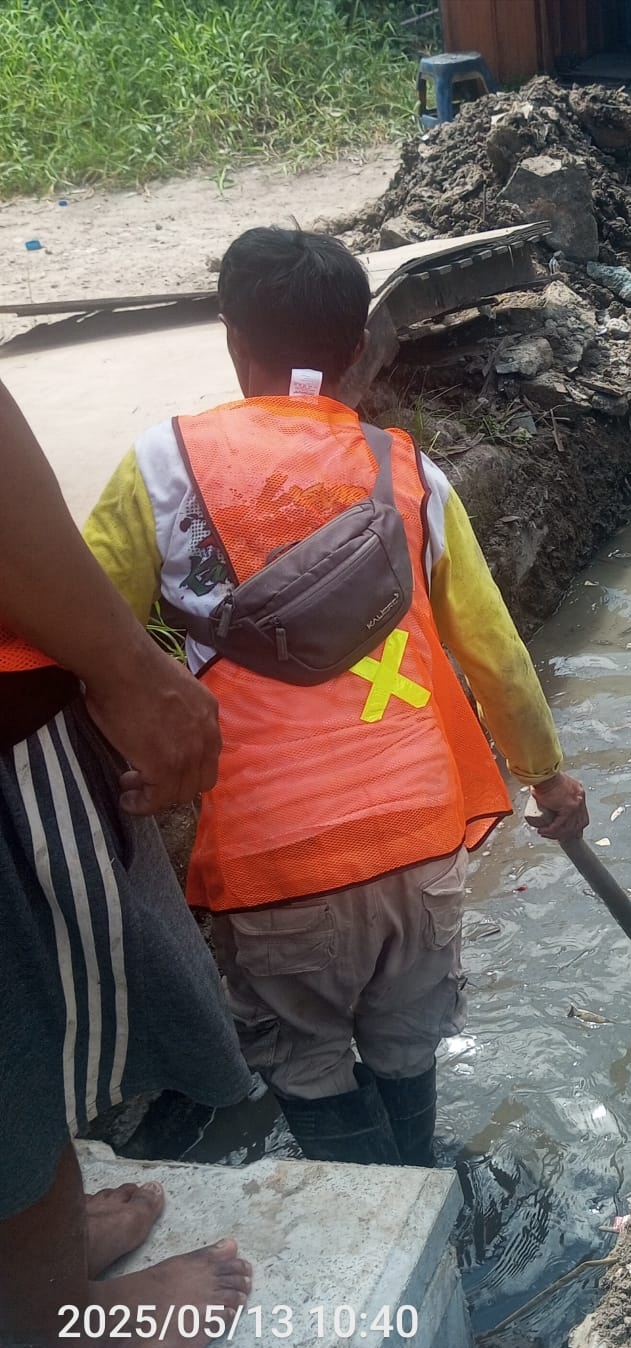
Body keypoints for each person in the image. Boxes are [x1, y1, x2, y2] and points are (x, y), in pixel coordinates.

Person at [84, 226, 590, 1169]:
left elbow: (86, 636)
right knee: (404, 1045)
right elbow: (497, 656)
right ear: (359, 351)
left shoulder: (161, 468)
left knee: (308, 1063)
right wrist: (548, 777)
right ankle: (427, 1204)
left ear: (233, 341)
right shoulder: (412, 473)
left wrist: (126, 761)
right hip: (419, 846)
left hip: (276, 863)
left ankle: (383, 1214)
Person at [0, 378, 254, 1347]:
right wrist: (130, 667)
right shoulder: (406, 467)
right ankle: (48, 1309)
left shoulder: (164, 455)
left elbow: (109, 552)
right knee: (20, 1036)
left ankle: (37, 1241)